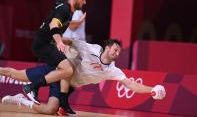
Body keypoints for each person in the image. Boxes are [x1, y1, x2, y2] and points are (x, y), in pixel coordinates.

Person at [0, 39, 166, 115]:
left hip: (64, 84)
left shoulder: (112, 70)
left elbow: (130, 84)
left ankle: (22, 100)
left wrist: (152, 90)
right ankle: (32, 86)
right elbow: (71, 41)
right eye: (114, 49)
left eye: (118, 52)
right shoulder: (91, 49)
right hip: (56, 70)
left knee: (50, 110)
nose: (116, 53)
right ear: (106, 47)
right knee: (15, 74)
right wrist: (58, 41)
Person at [25, 0, 86, 113]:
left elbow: (67, 23)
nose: (84, 2)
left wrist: (78, 23)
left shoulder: (68, 10)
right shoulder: (64, 9)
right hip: (42, 45)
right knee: (68, 68)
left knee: (67, 68)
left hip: (46, 44)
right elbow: (53, 25)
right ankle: (32, 86)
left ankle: (62, 101)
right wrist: (59, 42)